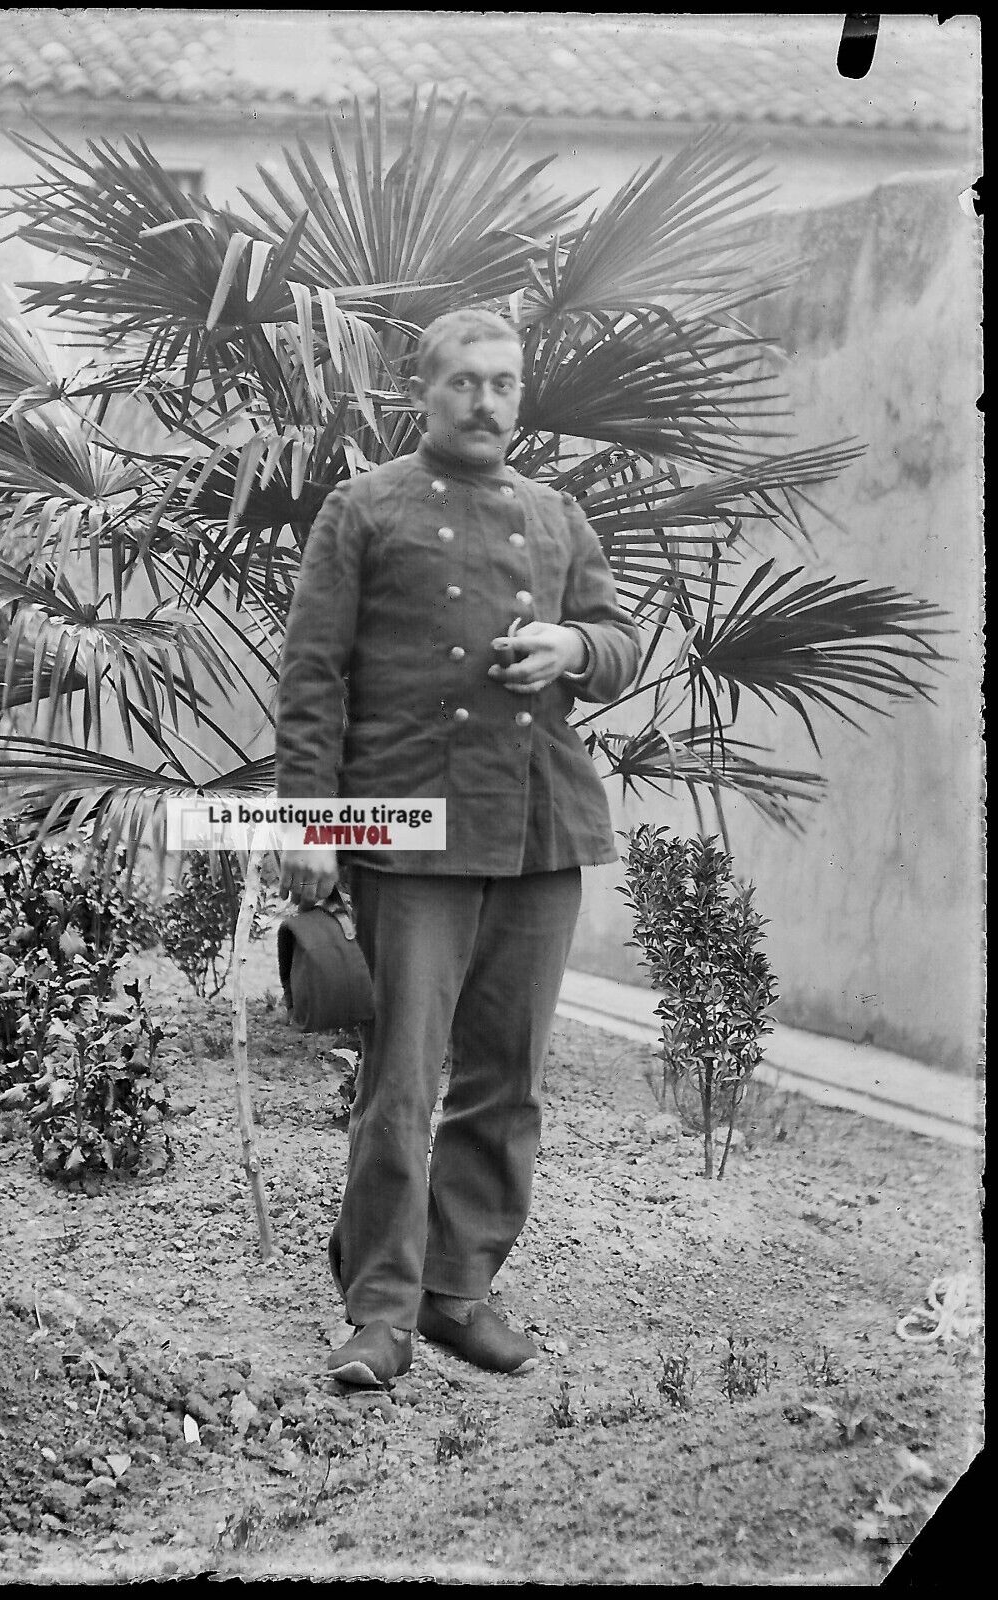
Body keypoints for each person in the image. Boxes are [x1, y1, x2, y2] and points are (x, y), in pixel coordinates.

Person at [275, 308, 641, 1387]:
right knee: (401, 1079)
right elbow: (312, 679)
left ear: (521, 394)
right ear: (423, 395)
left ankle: (455, 1288)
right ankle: (378, 1310)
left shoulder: (557, 514)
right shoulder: (365, 507)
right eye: (464, 383)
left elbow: (618, 641)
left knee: (509, 1075)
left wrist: (576, 643)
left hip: (538, 822)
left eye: (504, 383)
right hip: (411, 828)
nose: (486, 401)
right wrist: (313, 823)